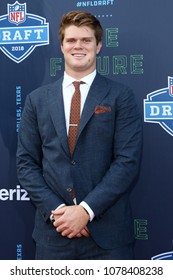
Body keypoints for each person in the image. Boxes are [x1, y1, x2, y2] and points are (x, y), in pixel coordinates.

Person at [16, 10, 142, 260]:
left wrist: (86, 210)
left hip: (109, 238)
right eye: (71, 40)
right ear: (62, 46)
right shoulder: (37, 100)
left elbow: (127, 162)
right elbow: (25, 164)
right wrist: (60, 212)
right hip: (54, 234)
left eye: (86, 40)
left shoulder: (121, 96)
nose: (78, 46)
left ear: (98, 46)